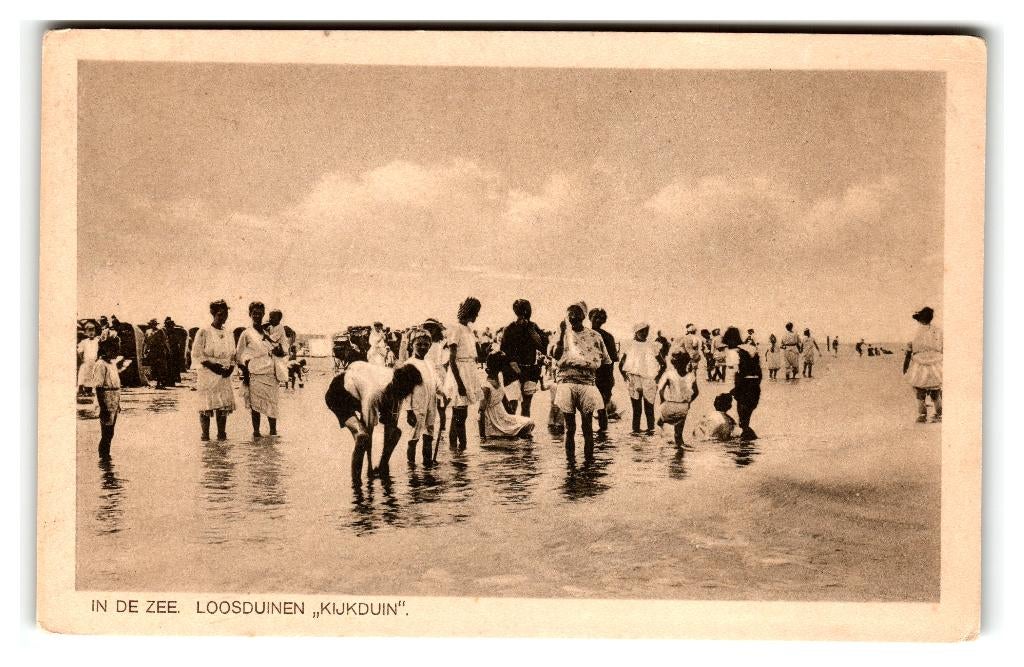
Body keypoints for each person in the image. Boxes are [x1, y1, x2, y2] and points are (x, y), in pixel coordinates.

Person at [325, 361, 423, 480]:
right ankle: (356, 483)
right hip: (339, 392)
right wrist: (370, 467)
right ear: (398, 384)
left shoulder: (400, 391)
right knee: (362, 436)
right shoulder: (375, 392)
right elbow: (368, 428)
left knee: (396, 432)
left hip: (359, 381)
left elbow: (391, 427)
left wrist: (383, 462)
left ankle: (382, 465)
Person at [553, 302, 610, 462]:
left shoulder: (595, 336)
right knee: (569, 428)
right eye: (570, 313)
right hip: (567, 382)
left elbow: (606, 361)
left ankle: (588, 464)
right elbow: (556, 356)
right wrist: (562, 334)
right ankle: (570, 465)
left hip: (587, 384)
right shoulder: (562, 334)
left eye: (577, 313)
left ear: (584, 316)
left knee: (587, 428)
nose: (573, 316)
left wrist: (606, 385)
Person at [235, 301, 285, 437]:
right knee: (255, 408)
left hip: (271, 374)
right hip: (255, 375)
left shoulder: (269, 332)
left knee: (272, 407)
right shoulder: (246, 333)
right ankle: (256, 434)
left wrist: (279, 350)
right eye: (254, 313)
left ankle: (273, 436)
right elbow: (238, 357)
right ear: (250, 314)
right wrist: (245, 374)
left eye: (260, 313)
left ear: (264, 314)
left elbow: (281, 352)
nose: (257, 316)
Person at [192, 299, 236, 441]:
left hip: (224, 372)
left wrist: (231, 368)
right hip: (208, 372)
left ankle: (221, 436)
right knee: (207, 405)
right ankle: (205, 437)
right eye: (220, 313)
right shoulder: (204, 331)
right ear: (213, 313)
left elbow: (233, 354)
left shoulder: (229, 332)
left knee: (223, 406)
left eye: (226, 313)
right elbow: (197, 353)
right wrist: (212, 366)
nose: (223, 316)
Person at [446, 297, 484, 451]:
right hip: (459, 374)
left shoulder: (468, 329)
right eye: (476, 313)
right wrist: (460, 384)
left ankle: (457, 450)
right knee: (459, 415)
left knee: (461, 415)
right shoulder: (455, 329)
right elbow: (451, 360)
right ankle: (460, 447)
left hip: (468, 372)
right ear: (470, 312)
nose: (477, 316)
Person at [499, 299, 548, 418]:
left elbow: (543, 346)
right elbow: (504, 351)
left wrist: (533, 333)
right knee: (514, 404)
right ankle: (514, 431)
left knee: (526, 405)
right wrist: (513, 365)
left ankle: (524, 432)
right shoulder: (510, 328)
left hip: (530, 369)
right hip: (512, 371)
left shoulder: (533, 327)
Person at [401, 329, 440, 465]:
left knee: (429, 432)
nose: (423, 347)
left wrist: (444, 394)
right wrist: (409, 410)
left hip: (431, 403)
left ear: (429, 345)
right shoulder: (409, 364)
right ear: (412, 345)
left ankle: (427, 461)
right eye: (419, 344)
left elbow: (436, 382)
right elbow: (405, 391)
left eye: (426, 344)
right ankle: (411, 464)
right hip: (416, 405)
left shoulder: (430, 363)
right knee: (414, 436)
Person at [618, 322, 664, 434]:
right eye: (641, 331)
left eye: (646, 331)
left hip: (649, 379)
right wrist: (625, 376)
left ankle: (650, 430)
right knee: (636, 409)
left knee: (649, 408)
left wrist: (657, 377)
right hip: (634, 379)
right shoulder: (630, 345)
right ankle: (636, 431)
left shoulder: (652, 345)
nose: (644, 333)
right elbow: (621, 364)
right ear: (636, 332)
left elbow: (663, 364)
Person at [479, 349, 535, 440]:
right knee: (526, 425)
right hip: (493, 422)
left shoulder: (499, 380)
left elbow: (506, 405)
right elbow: (481, 412)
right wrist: (482, 436)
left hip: (502, 417)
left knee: (529, 423)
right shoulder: (486, 386)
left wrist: (512, 416)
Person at [903, 306, 943, 423]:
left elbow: (909, 351)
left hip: (920, 364)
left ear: (919, 319)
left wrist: (905, 367)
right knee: (935, 390)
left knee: (920, 390)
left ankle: (922, 415)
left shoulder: (915, 333)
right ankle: (940, 414)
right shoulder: (938, 331)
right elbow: (943, 348)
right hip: (936, 363)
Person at [724, 326, 762, 441]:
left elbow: (735, 373)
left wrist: (735, 389)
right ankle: (748, 448)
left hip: (744, 385)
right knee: (746, 419)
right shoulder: (750, 348)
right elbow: (759, 371)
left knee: (743, 422)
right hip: (755, 386)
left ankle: (745, 448)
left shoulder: (733, 352)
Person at [657, 350, 699, 447]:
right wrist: (689, 402)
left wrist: (662, 401)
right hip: (682, 406)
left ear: (674, 363)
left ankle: (662, 421)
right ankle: (679, 454)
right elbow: (696, 392)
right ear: (687, 363)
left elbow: (660, 390)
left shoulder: (669, 374)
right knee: (678, 433)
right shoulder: (691, 376)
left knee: (665, 418)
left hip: (669, 405)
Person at [587, 308, 618, 437]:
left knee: (602, 408)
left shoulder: (608, 337)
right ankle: (588, 434)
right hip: (588, 375)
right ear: (590, 318)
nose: (598, 320)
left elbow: (611, 360)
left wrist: (611, 379)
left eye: (601, 317)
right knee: (586, 409)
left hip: (604, 376)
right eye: (596, 317)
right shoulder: (584, 334)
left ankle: (603, 435)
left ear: (604, 320)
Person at [92, 337, 123, 459]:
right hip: (105, 399)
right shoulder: (100, 364)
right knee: (106, 432)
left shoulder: (111, 364)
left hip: (113, 399)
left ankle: (106, 455)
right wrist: (103, 407)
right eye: (113, 350)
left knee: (110, 432)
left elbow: (116, 385)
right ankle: (103, 457)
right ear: (106, 349)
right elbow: (99, 388)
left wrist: (118, 403)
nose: (116, 352)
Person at [422, 318, 450, 440]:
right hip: (428, 372)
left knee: (440, 403)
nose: (430, 330)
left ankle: (442, 428)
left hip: (437, 372)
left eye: (432, 328)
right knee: (428, 400)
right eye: (427, 328)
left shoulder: (439, 344)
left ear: (436, 329)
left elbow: (444, 360)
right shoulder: (425, 342)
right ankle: (430, 426)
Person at [142, 318, 171, 389]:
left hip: (160, 351)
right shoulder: (148, 332)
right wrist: (144, 351)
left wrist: (168, 350)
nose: (153, 325)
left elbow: (165, 341)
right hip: (152, 351)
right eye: (151, 324)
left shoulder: (160, 331)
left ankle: (161, 383)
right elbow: (145, 342)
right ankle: (158, 383)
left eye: (154, 324)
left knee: (161, 367)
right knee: (154, 367)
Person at [77, 320, 100, 396]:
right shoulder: (84, 342)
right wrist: (82, 359)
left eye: (92, 330)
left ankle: (90, 390)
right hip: (86, 362)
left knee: (93, 376)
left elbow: (100, 350)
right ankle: (81, 389)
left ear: (95, 331)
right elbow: (80, 351)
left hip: (95, 362)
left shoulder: (98, 341)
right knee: (83, 375)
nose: (91, 333)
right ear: (86, 332)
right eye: (89, 331)